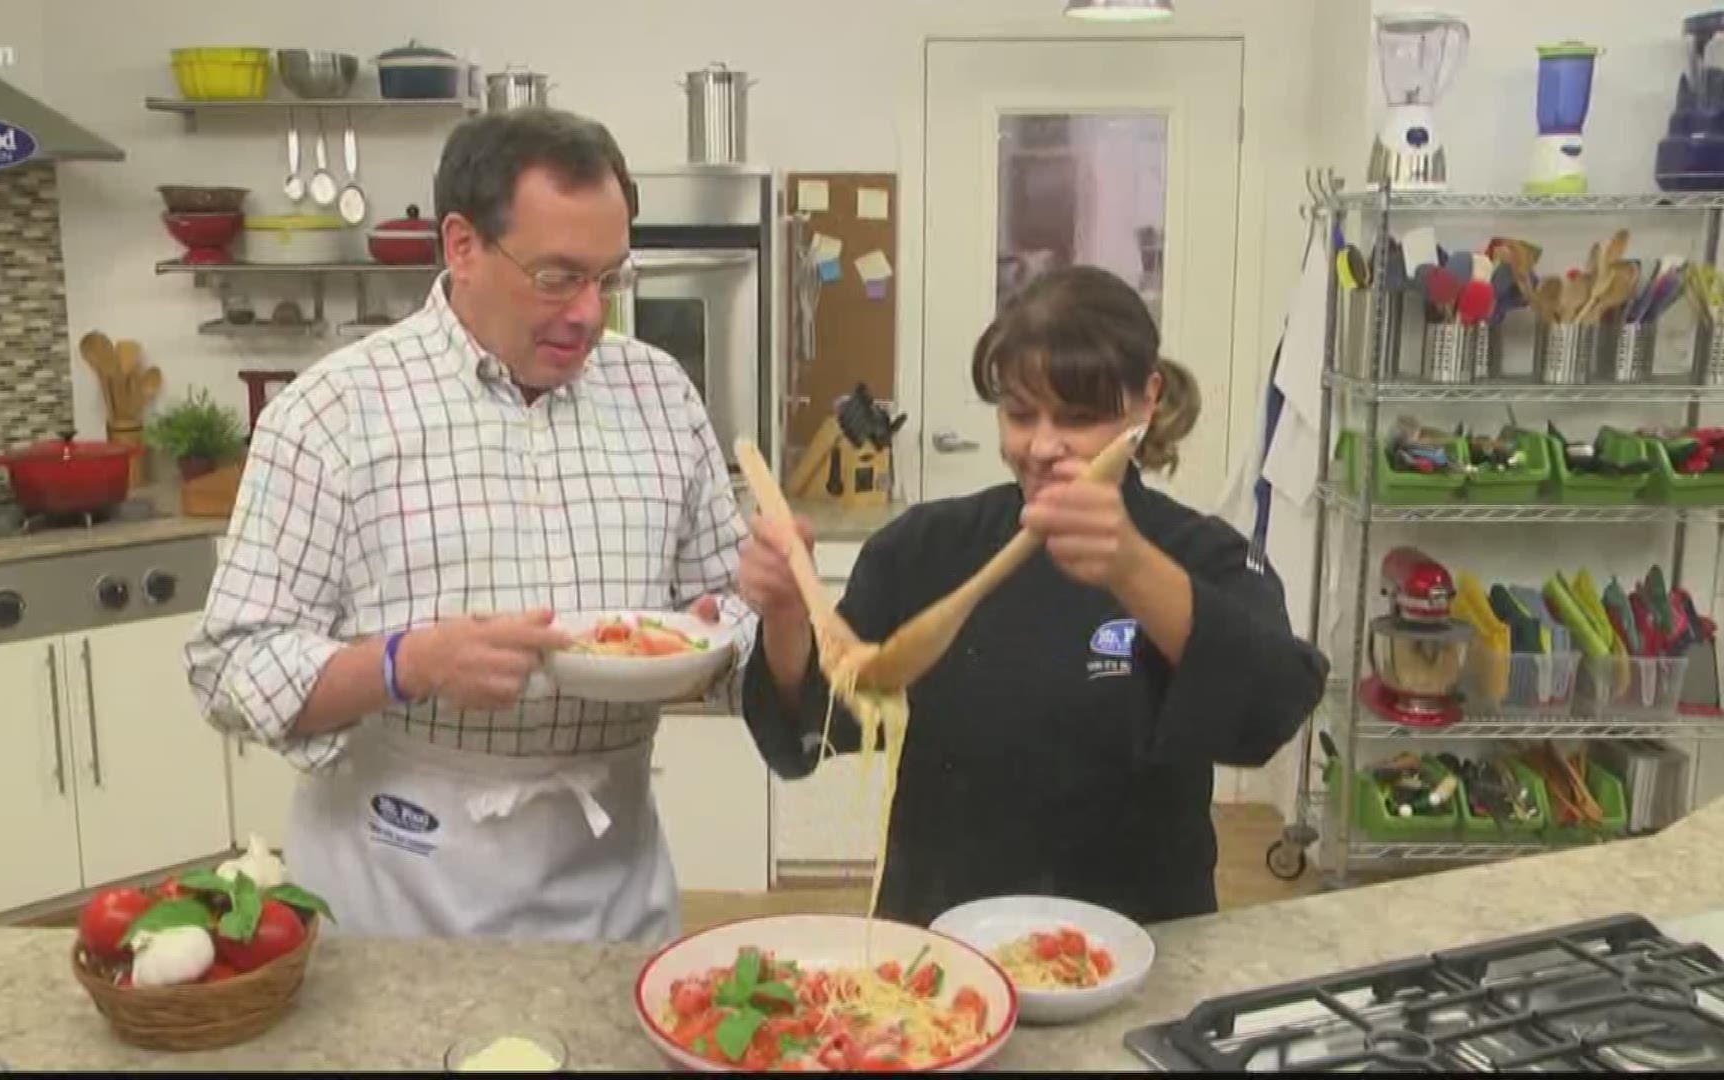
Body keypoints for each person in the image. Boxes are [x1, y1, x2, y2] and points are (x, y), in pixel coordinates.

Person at [185, 107, 754, 944]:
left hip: (614, 888)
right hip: (399, 885)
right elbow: (230, 668)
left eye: (611, 277)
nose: (592, 315)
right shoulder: (333, 412)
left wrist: (743, 625)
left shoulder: (661, 394)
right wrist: (405, 662)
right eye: (559, 277)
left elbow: (723, 614)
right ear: (462, 245)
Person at [736, 265, 1328, 928]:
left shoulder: (1208, 554)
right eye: (1021, 414)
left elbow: (1270, 710)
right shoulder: (922, 548)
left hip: (1143, 953)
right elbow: (808, 735)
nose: (1043, 446)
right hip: (942, 955)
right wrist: (787, 616)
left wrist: (1132, 566)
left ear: (1146, 399)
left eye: (1079, 417)